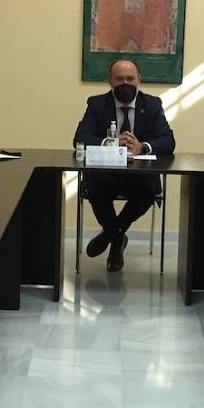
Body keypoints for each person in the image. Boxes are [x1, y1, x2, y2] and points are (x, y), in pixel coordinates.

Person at [73, 59, 175, 271]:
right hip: (106, 172)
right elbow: (80, 139)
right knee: (97, 189)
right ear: (110, 81)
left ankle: (111, 235)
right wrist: (110, 143)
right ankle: (118, 239)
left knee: (147, 191)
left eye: (130, 78)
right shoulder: (97, 104)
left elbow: (168, 141)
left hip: (140, 174)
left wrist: (142, 146)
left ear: (139, 80)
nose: (125, 83)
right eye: (119, 79)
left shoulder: (152, 104)